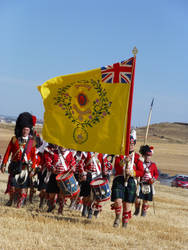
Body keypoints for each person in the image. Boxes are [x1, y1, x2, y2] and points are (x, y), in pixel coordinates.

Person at [0, 112, 37, 208]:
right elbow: (8, 153)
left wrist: (33, 169)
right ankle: (11, 200)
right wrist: (3, 164)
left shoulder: (32, 142)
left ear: (30, 130)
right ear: (21, 129)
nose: (25, 131)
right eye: (24, 129)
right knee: (12, 187)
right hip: (15, 166)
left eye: (27, 129)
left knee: (23, 188)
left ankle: (20, 203)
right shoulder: (14, 139)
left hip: (25, 169)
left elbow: (33, 157)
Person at [111, 129, 144, 228]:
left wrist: (133, 172)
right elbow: (116, 167)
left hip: (131, 181)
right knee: (118, 201)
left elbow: (141, 172)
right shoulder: (119, 155)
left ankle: (124, 224)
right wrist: (124, 161)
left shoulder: (138, 157)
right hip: (119, 179)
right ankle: (117, 217)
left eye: (133, 143)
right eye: (129, 143)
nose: (131, 145)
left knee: (127, 205)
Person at [44, 144, 77, 214]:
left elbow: (73, 164)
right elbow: (48, 162)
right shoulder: (53, 152)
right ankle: (52, 205)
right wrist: (51, 167)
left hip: (64, 177)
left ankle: (60, 208)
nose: (62, 146)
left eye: (63, 145)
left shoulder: (70, 154)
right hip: (54, 175)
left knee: (62, 194)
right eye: (61, 145)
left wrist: (73, 168)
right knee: (51, 194)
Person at [79, 151, 109, 219]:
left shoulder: (101, 154)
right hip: (88, 174)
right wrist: (83, 174)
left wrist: (105, 173)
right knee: (86, 195)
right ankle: (84, 207)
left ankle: (90, 211)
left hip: (98, 175)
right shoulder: (86, 152)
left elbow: (104, 164)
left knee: (95, 195)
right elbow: (81, 163)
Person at [134, 145, 159, 216]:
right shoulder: (140, 163)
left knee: (145, 200)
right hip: (141, 184)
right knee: (137, 199)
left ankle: (143, 214)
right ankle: (137, 211)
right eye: (146, 156)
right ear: (143, 156)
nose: (148, 157)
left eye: (149, 156)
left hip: (149, 184)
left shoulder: (153, 165)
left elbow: (156, 174)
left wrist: (153, 179)